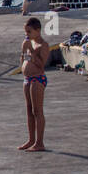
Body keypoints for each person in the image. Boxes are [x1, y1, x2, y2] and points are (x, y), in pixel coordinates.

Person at [19, 17, 50, 151]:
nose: (27, 34)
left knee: (37, 111)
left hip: (37, 79)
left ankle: (39, 142)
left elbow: (41, 65)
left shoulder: (43, 45)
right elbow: (23, 60)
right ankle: (31, 139)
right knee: (29, 111)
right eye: (26, 32)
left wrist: (31, 51)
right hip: (27, 78)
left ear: (38, 30)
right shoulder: (28, 43)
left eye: (29, 32)